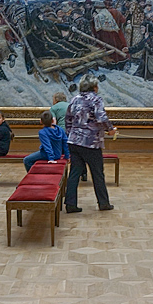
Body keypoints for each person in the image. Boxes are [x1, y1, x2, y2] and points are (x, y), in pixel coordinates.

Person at [64, 76, 116, 213]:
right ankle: (103, 203)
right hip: (90, 143)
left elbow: (68, 119)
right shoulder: (96, 99)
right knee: (97, 173)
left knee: (74, 173)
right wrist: (110, 129)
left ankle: (70, 204)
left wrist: (71, 135)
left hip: (74, 141)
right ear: (94, 87)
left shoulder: (74, 99)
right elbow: (101, 117)